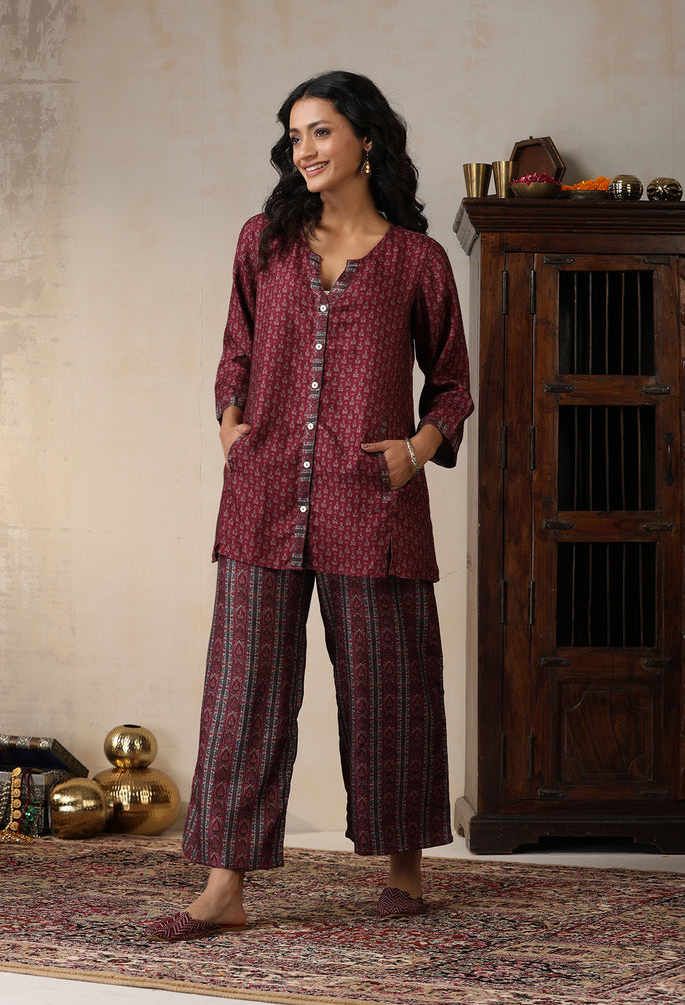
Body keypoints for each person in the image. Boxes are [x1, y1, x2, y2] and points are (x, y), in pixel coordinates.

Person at [147, 70, 473, 942]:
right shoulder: (264, 242)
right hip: (263, 498)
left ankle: (404, 866)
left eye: (321, 131)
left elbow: (452, 383)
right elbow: (237, 350)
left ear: (366, 138)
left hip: (373, 503)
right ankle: (224, 886)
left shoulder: (417, 260)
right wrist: (230, 420)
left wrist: (417, 450)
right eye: (295, 136)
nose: (305, 150)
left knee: (389, 686)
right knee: (244, 688)